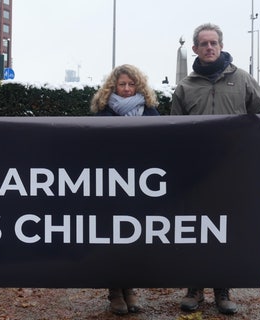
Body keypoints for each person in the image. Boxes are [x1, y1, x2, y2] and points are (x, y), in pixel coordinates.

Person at [171, 23, 260, 315]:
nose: (209, 48)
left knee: (224, 229)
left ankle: (222, 289)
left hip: (232, 169)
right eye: (204, 44)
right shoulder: (185, 87)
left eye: (214, 43)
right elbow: (172, 132)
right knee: (194, 229)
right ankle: (194, 288)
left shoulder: (242, 79)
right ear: (195, 48)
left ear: (221, 46)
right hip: (195, 172)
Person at [89, 64, 158, 316]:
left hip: (143, 186)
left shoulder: (151, 113)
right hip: (111, 187)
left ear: (138, 86)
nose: (127, 89)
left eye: (131, 84)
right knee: (112, 238)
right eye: (122, 84)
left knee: (134, 238)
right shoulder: (103, 113)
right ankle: (115, 291)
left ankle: (130, 288)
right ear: (113, 87)